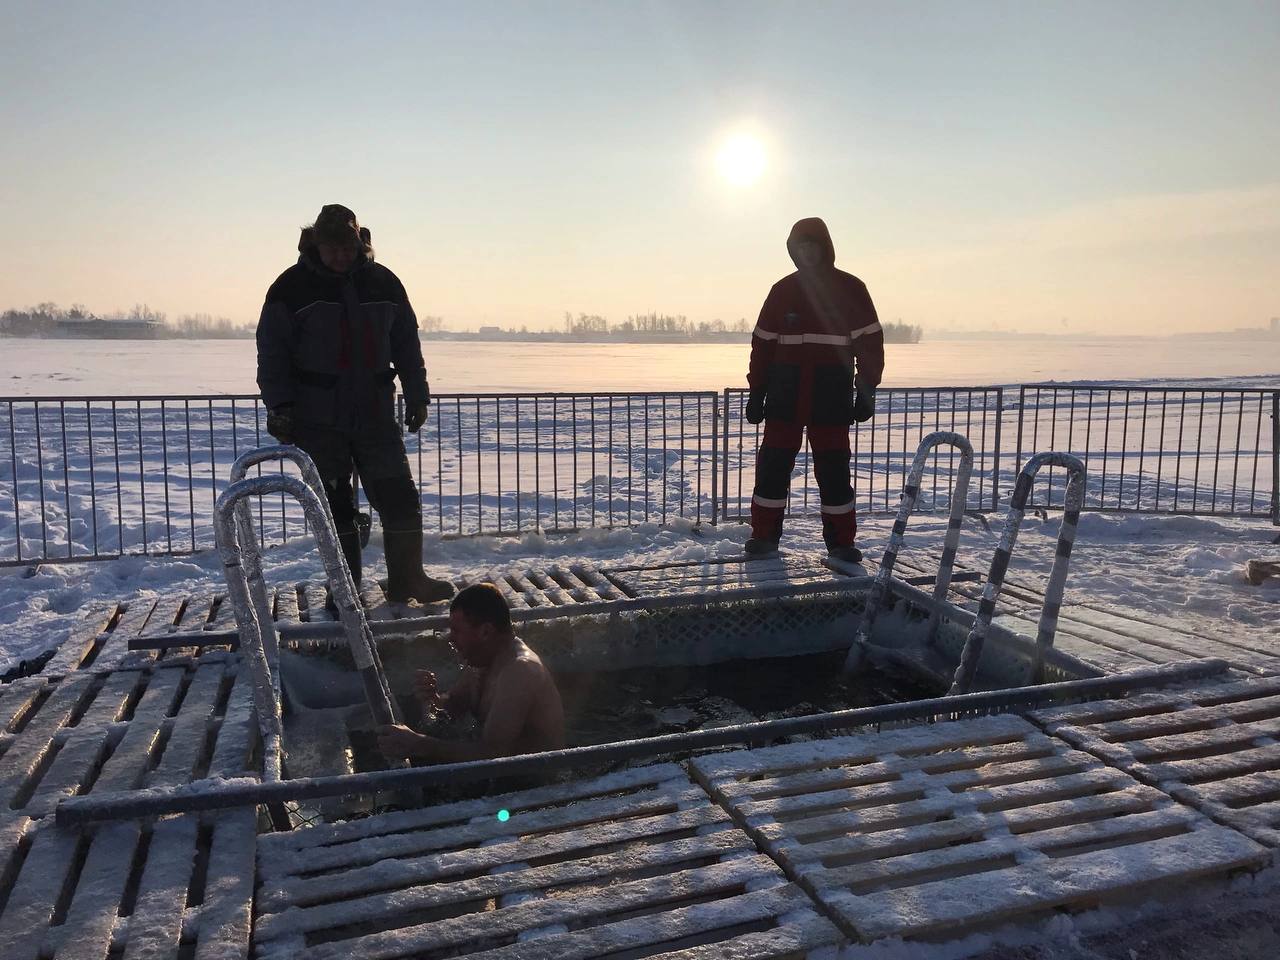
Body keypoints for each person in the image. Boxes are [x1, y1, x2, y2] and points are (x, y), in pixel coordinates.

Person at [256, 204, 453, 604]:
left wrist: (418, 393)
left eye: (347, 247)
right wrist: (280, 406)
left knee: (399, 496)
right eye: (332, 248)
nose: (341, 256)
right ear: (316, 245)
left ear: (359, 242)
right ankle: (344, 592)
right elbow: (272, 354)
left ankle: (409, 579)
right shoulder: (289, 288)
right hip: (317, 418)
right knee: (335, 506)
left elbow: (406, 344)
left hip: (376, 413)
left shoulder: (384, 283)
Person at [744, 217, 885, 563]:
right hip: (784, 398)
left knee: (834, 473)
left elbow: (870, 344)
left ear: (825, 248)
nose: (807, 254)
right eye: (800, 247)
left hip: (831, 398)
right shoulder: (782, 291)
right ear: (793, 251)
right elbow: (762, 345)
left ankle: (841, 543)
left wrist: (866, 388)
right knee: (772, 470)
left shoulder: (851, 289)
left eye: (812, 246)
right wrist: (757, 391)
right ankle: (763, 537)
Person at [376, 583, 565, 762]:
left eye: (456, 630)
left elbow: (493, 754)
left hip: (533, 784)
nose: (450, 638)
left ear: (485, 632)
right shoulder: (482, 660)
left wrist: (419, 744)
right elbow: (454, 707)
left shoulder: (520, 671)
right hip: (504, 778)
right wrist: (432, 698)